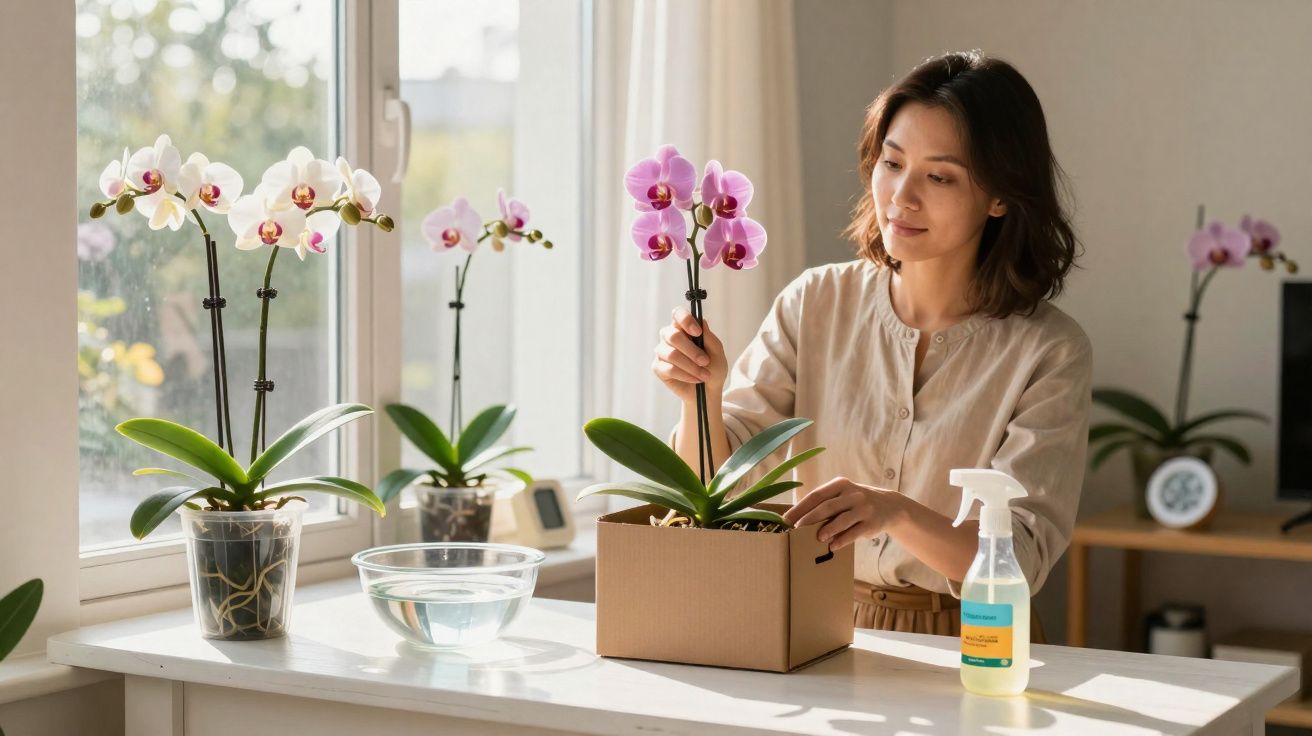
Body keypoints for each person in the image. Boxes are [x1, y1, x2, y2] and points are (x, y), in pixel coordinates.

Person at [655, 51, 1091, 638]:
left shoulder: (1050, 352)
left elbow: (1021, 559)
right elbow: (712, 484)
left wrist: (896, 511)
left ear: (1000, 196)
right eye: (891, 163)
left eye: (939, 176)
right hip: (810, 625)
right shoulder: (814, 302)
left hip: (974, 641)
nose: (901, 197)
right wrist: (700, 397)